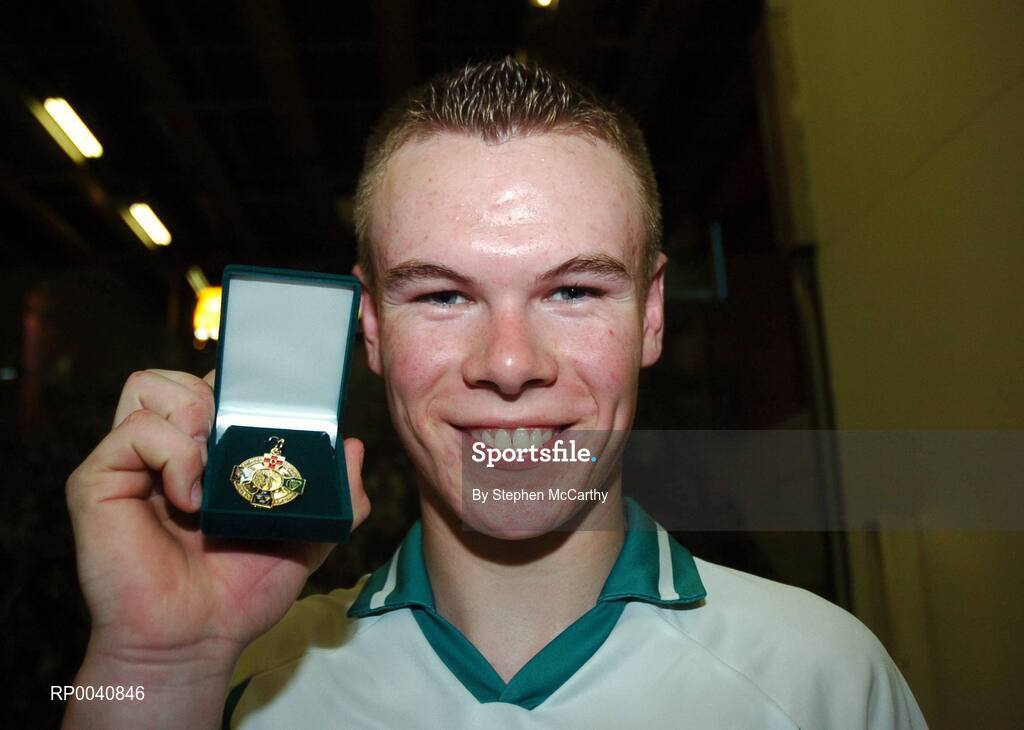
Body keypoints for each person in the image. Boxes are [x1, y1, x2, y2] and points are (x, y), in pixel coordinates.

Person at [64, 58, 927, 729]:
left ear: (652, 314)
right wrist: (155, 666)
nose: (509, 364)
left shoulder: (823, 678)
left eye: (573, 290)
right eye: (444, 296)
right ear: (372, 327)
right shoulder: (238, 677)